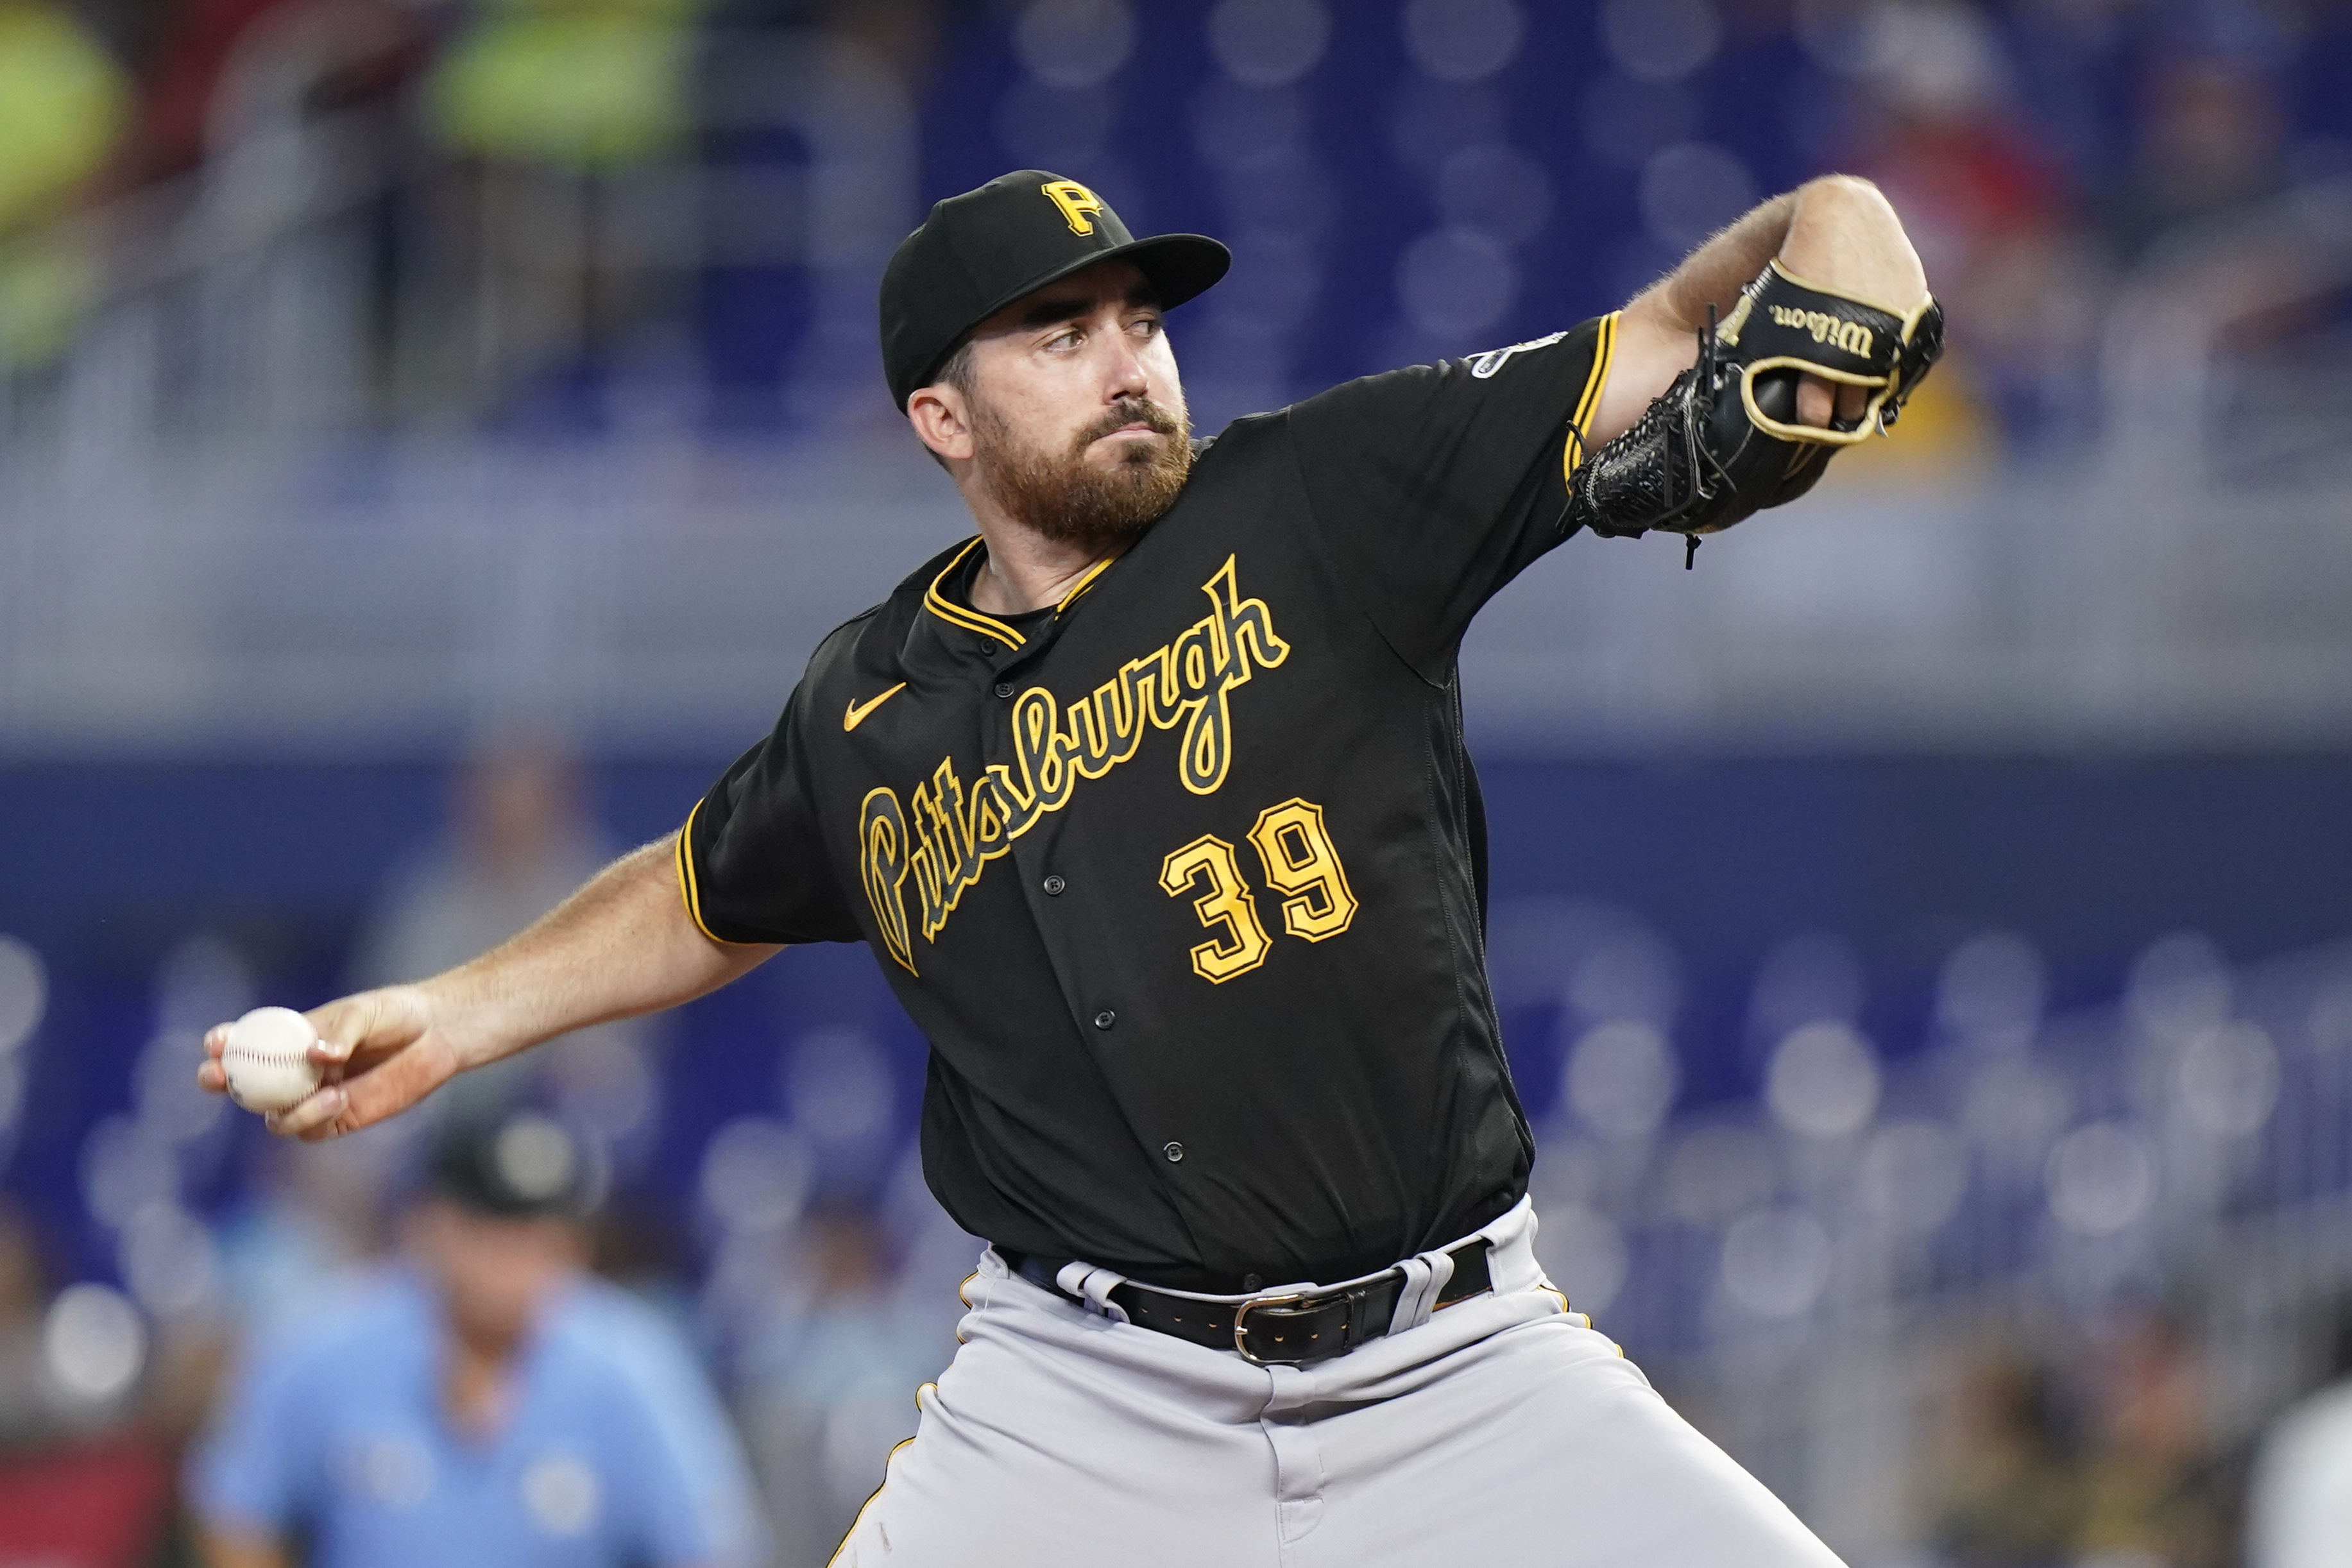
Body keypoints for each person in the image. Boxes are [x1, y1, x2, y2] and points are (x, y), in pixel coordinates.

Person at [202, 166, 1938, 1564]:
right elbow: (699, 887)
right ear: (940, 418)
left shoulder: (1325, 495)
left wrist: (1839, 225)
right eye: (1057, 332)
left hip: (1456, 1362)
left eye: (1139, 316)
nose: (1128, 355)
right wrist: (451, 1010)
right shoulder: (866, 709)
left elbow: (1681, 315)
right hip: (1085, 1398)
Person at [187, 1111, 766, 1568]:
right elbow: (237, 1511)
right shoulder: (324, 1339)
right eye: (488, 1230)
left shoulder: (632, 1362)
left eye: (538, 1235)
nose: (513, 1261)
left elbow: (709, 1547)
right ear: (428, 1227)